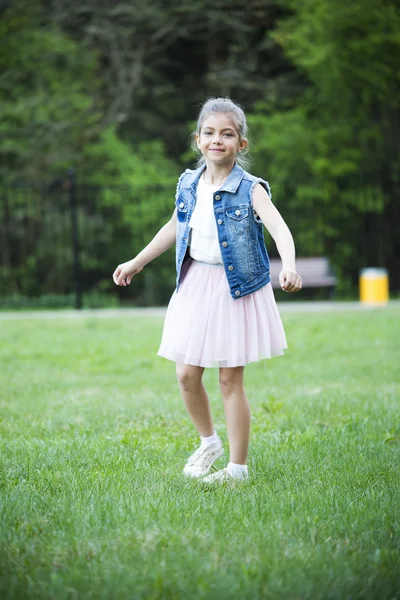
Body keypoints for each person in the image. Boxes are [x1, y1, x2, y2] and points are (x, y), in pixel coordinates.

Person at [113, 97, 302, 483]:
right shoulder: (187, 183)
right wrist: (137, 261)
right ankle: (208, 442)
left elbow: (279, 229)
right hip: (195, 284)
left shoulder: (250, 189)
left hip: (236, 288)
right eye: (210, 133)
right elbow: (175, 227)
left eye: (227, 134)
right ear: (197, 139)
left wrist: (291, 266)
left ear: (240, 144)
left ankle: (238, 468)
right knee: (185, 374)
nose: (218, 140)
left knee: (230, 379)